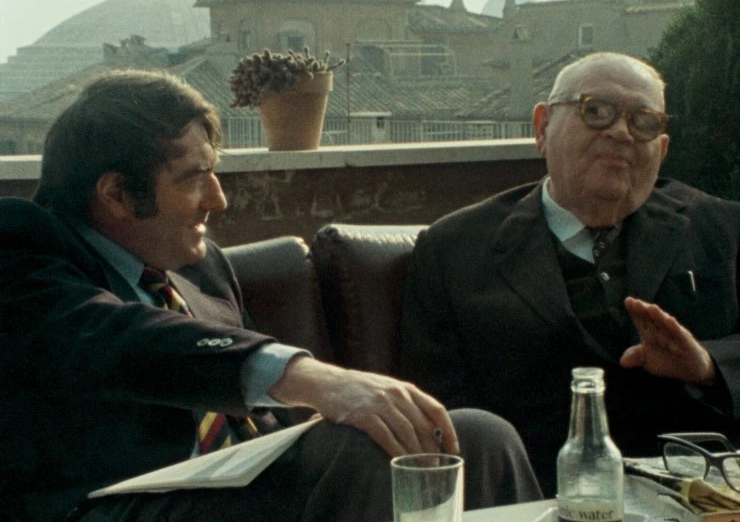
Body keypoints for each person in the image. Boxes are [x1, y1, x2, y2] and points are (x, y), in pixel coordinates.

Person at [0, 68, 543, 521]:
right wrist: (316, 380)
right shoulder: (22, 245)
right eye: (194, 177)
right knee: (361, 453)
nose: (218, 200)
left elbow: (254, 428)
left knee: (475, 437)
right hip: (106, 504)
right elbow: (117, 339)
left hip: (237, 493)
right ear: (116, 193)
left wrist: (317, 423)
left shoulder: (202, 268)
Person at [398, 51, 740, 497]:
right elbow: (437, 422)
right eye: (595, 111)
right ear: (542, 128)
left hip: (701, 495)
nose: (621, 132)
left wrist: (708, 367)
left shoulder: (722, 229)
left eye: (643, 122)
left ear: (662, 149)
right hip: (532, 499)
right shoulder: (455, 250)